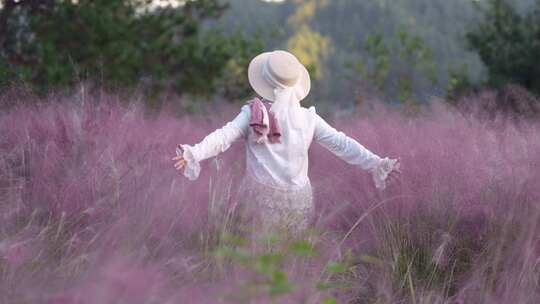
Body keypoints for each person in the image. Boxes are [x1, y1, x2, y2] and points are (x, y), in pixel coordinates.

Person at [172, 50, 400, 235]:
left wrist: (193, 153)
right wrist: (377, 163)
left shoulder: (252, 114)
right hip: (299, 200)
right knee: (291, 261)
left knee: (259, 261)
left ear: (264, 83)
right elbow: (343, 144)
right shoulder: (309, 118)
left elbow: (223, 137)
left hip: (261, 199)